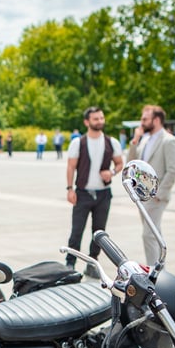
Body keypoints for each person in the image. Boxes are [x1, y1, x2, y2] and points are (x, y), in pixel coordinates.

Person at [65, 107, 123, 279]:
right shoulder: (78, 143)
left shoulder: (112, 142)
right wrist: (70, 189)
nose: (100, 121)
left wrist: (112, 172)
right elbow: (71, 166)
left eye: (101, 118)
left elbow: (119, 163)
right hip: (82, 193)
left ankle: (92, 263)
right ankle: (70, 263)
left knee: (99, 232)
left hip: (104, 194)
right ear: (87, 122)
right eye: (96, 119)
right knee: (77, 230)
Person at [127, 104, 175, 265]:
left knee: (149, 235)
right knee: (155, 234)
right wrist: (135, 141)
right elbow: (130, 163)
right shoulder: (145, 140)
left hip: (156, 197)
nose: (141, 122)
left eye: (145, 119)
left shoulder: (169, 141)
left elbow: (173, 170)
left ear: (156, 120)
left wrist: (159, 194)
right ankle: (160, 268)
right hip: (142, 197)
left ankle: (154, 274)